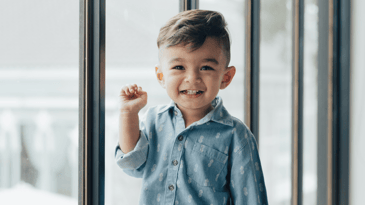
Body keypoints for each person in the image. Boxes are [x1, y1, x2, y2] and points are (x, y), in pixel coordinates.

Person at [115, 9, 268, 205]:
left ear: (226, 77)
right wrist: (128, 113)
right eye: (179, 67)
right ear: (161, 76)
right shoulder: (153, 119)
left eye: (206, 67)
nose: (192, 78)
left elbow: (251, 199)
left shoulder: (236, 136)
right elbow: (132, 166)